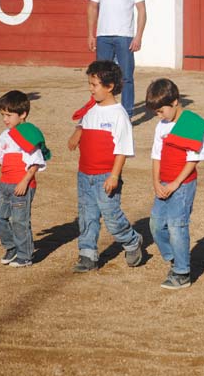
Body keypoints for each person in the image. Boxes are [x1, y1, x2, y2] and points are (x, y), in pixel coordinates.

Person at [68, 60, 143, 273]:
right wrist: (77, 132)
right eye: (90, 84)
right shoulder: (91, 108)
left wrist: (114, 176)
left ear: (109, 87)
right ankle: (87, 254)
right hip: (84, 174)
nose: (90, 89)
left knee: (112, 217)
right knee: (86, 215)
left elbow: (122, 150)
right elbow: (83, 123)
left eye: (94, 85)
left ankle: (131, 240)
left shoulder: (119, 115)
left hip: (105, 177)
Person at [146, 79, 204, 289]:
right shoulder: (161, 125)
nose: (158, 115)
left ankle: (182, 272)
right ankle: (176, 258)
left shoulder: (192, 123)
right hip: (163, 182)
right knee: (155, 225)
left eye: (160, 110)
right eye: (155, 112)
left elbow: (193, 159)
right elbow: (156, 155)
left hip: (182, 185)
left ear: (175, 102)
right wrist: (156, 182)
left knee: (177, 226)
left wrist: (175, 183)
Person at [0, 90, 51, 268]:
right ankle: (11, 247)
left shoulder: (28, 134)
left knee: (20, 220)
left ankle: (25, 255)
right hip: (5, 183)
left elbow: (35, 162)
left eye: (9, 115)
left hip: (22, 184)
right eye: (3, 115)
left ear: (22, 114)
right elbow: (3, 155)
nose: (5, 119)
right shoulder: (6, 134)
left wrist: (24, 181)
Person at [87, 0, 147, 118]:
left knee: (126, 77)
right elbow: (92, 7)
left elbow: (142, 10)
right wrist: (91, 34)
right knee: (100, 76)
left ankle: (126, 114)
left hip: (124, 36)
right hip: (103, 35)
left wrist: (138, 36)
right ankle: (103, 110)